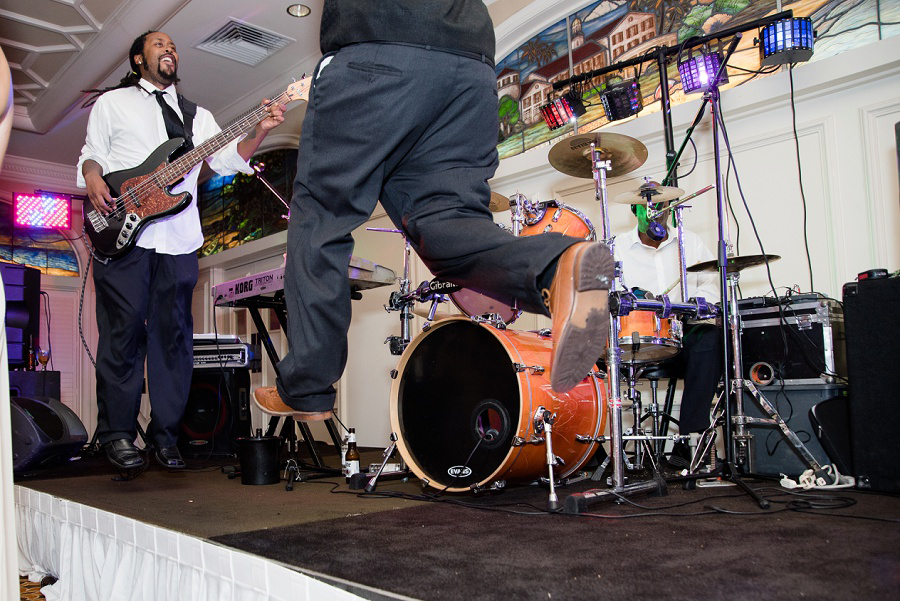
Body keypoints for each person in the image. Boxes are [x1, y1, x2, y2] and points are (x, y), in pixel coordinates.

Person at [253, 0, 615, 420]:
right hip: (470, 65)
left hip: (378, 49)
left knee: (321, 217)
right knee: (448, 223)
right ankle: (556, 265)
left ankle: (308, 385)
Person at [77, 31, 285, 472]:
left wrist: (261, 130)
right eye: (158, 44)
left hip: (179, 241)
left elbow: (228, 159)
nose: (169, 48)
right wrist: (93, 177)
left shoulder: (198, 116)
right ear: (138, 59)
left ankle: (166, 436)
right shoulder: (113, 104)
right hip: (124, 234)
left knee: (173, 341)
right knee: (124, 334)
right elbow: (93, 155)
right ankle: (117, 434)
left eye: (174, 44)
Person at [614, 201, 723, 458]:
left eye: (661, 206)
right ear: (635, 211)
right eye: (647, 207)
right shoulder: (616, 246)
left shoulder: (690, 241)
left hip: (681, 331)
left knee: (710, 338)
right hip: (636, 334)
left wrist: (698, 301)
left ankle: (689, 439)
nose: (655, 212)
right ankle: (590, 449)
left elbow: (711, 281)